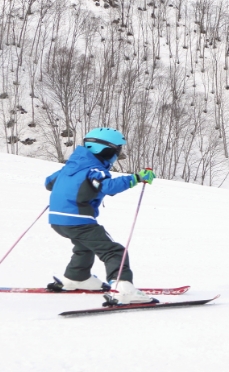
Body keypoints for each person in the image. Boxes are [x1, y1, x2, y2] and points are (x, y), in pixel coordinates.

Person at [45, 128, 156, 305]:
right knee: (114, 251)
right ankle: (124, 289)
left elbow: (49, 183)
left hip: (57, 221)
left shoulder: (71, 167)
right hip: (78, 220)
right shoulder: (94, 169)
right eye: (117, 150)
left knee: (84, 246)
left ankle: (77, 277)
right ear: (105, 150)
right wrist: (137, 177)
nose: (117, 155)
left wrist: (68, 184)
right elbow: (108, 187)